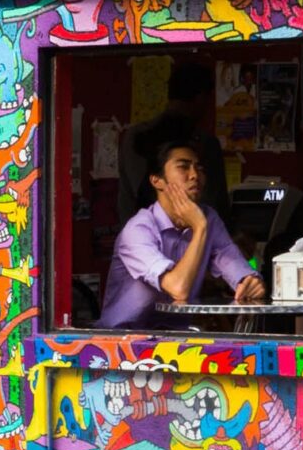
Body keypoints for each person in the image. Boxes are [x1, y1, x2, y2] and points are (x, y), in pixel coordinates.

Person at [99, 139, 266, 329]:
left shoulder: (208, 218)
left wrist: (250, 282)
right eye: (183, 167)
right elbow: (178, 289)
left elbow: (234, 265)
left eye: (199, 168)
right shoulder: (138, 229)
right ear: (157, 180)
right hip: (123, 339)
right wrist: (199, 228)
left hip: (175, 337)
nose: (195, 175)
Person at [117, 63, 229, 222]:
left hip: (141, 231)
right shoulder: (205, 143)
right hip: (191, 232)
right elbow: (216, 203)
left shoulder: (133, 137)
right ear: (201, 98)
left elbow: (126, 201)